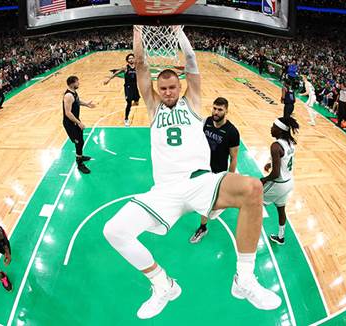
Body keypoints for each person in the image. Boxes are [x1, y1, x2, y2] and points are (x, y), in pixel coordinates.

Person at [103, 26, 281, 320]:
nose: (168, 92)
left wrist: (179, 34)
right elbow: (142, 65)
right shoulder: (153, 106)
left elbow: (193, 64)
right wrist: (137, 32)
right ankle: (163, 285)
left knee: (253, 189)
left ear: (179, 86)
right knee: (114, 231)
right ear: (157, 91)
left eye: (172, 87)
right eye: (163, 89)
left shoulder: (192, 102)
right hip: (164, 190)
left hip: (200, 181)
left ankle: (244, 280)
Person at [189, 96, 239, 243]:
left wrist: (230, 179)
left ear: (226, 111)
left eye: (220, 110)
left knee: (206, 202)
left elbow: (234, 157)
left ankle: (203, 228)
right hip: (201, 168)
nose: (216, 112)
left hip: (217, 172)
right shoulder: (206, 122)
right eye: (214, 108)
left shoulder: (232, 132)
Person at [261, 117, 299, 245]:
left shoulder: (275, 146)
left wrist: (264, 179)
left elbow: (276, 173)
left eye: (274, 127)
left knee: (254, 203)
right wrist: (270, 162)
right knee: (281, 209)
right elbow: (284, 158)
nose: (271, 128)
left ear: (280, 130)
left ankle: (250, 234)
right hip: (289, 182)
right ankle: (281, 237)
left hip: (279, 183)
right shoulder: (290, 142)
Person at [63, 76, 96, 174]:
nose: (79, 83)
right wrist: (79, 123)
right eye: (77, 82)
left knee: (81, 141)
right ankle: (79, 164)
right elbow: (68, 113)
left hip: (75, 121)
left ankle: (80, 156)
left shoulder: (73, 93)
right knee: (78, 142)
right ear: (72, 83)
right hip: (70, 123)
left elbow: (77, 101)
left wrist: (86, 104)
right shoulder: (68, 96)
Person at [103, 53, 140, 126]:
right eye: (129, 58)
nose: (131, 59)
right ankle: (126, 119)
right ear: (127, 60)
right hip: (128, 87)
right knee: (129, 102)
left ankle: (129, 105)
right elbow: (116, 73)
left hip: (135, 87)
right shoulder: (125, 68)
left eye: (132, 58)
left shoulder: (137, 67)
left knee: (137, 103)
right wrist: (109, 79)